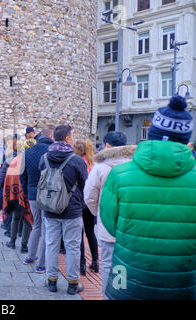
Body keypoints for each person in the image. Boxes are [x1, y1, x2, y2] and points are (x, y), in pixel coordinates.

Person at [100, 96, 195, 300]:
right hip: (182, 281)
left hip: (125, 275)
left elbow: (109, 224)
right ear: (187, 140)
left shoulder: (119, 174)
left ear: (152, 134)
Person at [83, 131, 135, 299]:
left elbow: (90, 196)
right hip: (129, 224)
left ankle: (107, 296)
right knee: (123, 264)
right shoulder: (135, 166)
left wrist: (98, 213)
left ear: (106, 145)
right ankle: (120, 293)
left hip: (107, 223)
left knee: (106, 263)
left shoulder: (100, 167)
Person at [40, 125, 88, 295]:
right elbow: (85, 185)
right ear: (67, 138)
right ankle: (73, 283)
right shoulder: (76, 160)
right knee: (73, 246)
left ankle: (51, 281)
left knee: (51, 244)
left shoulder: (45, 157)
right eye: (72, 136)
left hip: (49, 208)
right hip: (72, 210)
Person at [20, 125, 55, 273]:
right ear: (51, 137)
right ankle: (41, 264)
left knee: (36, 225)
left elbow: (22, 174)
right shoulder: (53, 151)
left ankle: (30, 256)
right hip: (48, 194)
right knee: (47, 228)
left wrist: (27, 192)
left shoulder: (28, 151)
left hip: (32, 193)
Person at [74, 139, 99, 276]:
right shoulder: (93, 164)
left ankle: (82, 264)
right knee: (90, 232)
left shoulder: (75, 163)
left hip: (78, 202)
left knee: (79, 234)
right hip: (90, 202)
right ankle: (95, 261)